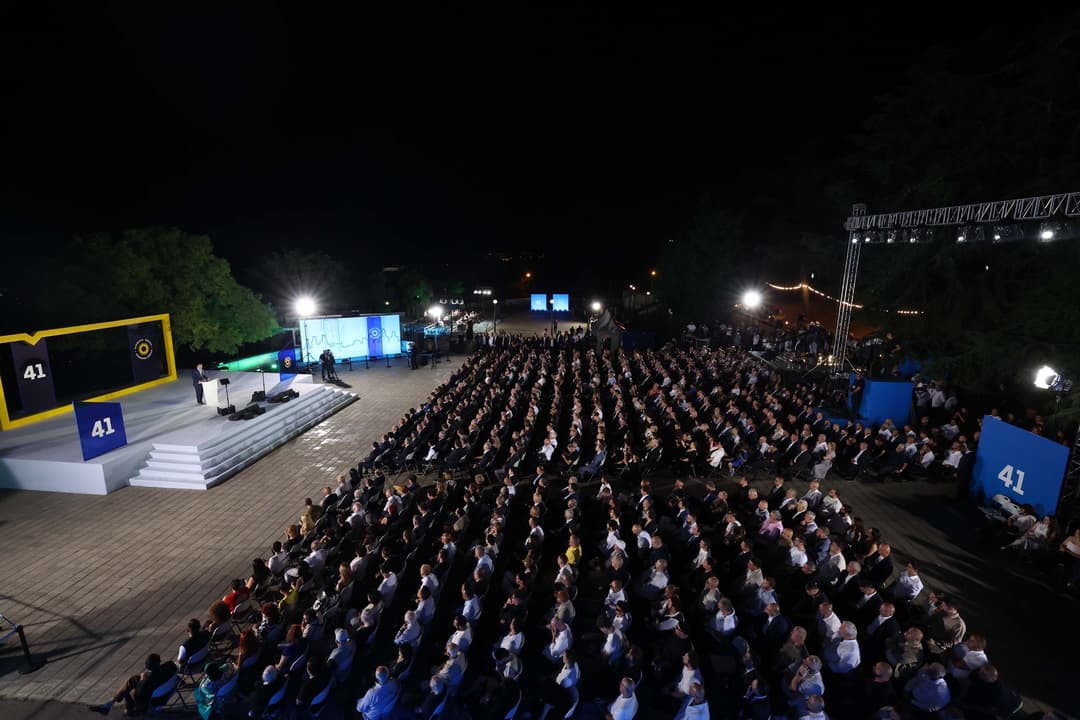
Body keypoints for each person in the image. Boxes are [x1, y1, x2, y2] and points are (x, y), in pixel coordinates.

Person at [88, 653, 178, 716]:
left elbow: (139, 693)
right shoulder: (168, 667)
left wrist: (142, 679)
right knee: (133, 680)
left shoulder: (147, 681)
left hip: (151, 701)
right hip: (167, 689)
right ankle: (108, 705)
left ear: (148, 667)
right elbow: (173, 665)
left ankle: (122, 708)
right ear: (159, 662)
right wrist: (144, 677)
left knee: (128, 690)